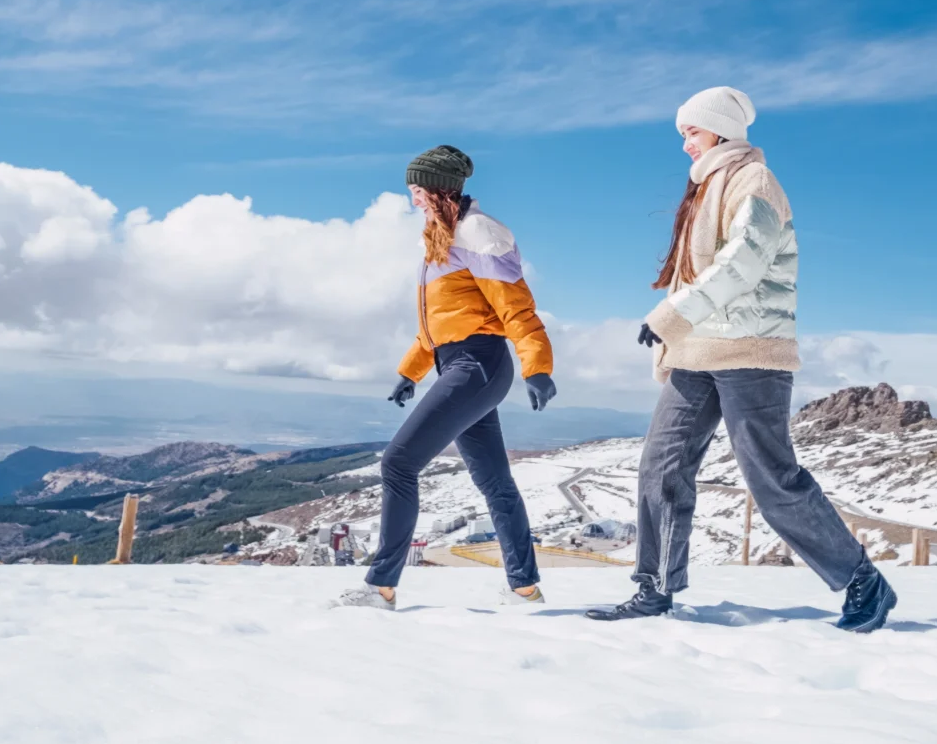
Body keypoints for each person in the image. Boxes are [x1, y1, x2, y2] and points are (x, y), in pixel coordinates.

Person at [587, 87, 898, 632]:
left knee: (770, 478)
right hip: (697, 352)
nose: (684, 144)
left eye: (692, 132)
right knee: (661, 465)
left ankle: (862, 581)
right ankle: (655, 588)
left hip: (752, 352)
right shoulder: (705, 187)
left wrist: (669, 315)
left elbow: (743, 263)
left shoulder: (754, 181)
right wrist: (678, 328)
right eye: (682, 134)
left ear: (721, 132)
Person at [333, 146, 557, 610]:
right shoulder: (439, 237)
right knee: (495, 483)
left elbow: (516, 307)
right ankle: (524, 587)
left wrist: (537, 366)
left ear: (438, 189)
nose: (412, 199)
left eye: (417, 190)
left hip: (479, 364)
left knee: (397, 464)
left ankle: (381, 586)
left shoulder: (478, 232)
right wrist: (410, 371)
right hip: (459, 363)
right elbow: (438, 324)